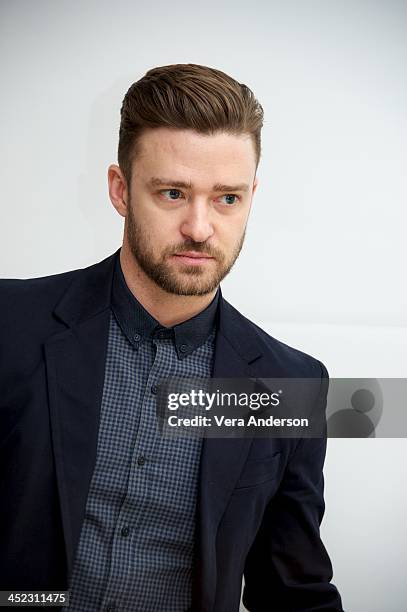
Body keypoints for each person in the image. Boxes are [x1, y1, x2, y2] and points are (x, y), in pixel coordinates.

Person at [0, 63, 344, 612]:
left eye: (226, 198)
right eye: (173, 193)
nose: (200, 228)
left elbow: (294, 591)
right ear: (120, 189)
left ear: (251, 196)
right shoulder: (10, 325)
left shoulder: (289, 384)